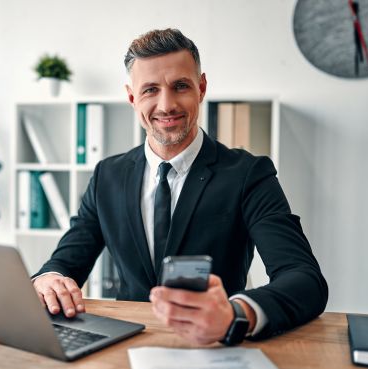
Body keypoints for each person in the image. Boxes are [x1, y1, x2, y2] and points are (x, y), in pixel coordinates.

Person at [32, 28, 328, 345]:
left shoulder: (249, 174)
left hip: (213, 348)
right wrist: (49, 280)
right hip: (124, 347)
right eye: (150, 90)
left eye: (180, 86)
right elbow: (64, 263)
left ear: (201, 88)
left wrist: (237, 314)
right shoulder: (108, 175)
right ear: (132, 97)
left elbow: (305, 279)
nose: (166, 104)